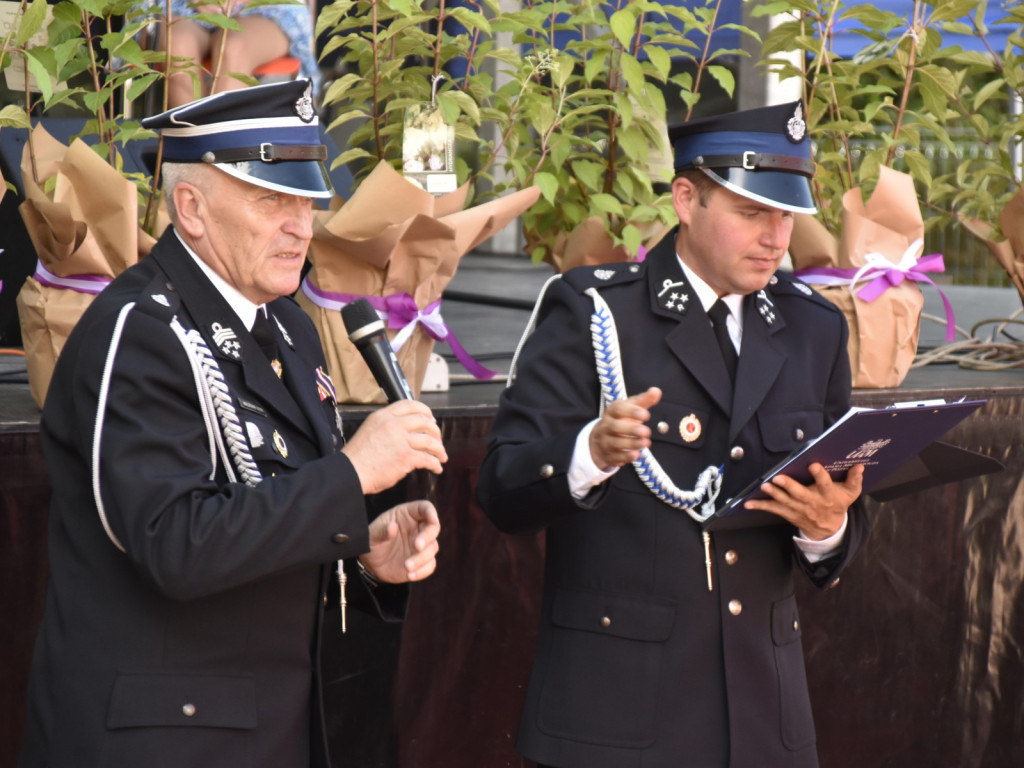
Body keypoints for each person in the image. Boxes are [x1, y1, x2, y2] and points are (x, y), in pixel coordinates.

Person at [18, 79, 447, 768]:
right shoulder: (140, 334)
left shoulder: (285, 326)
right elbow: (175, 544)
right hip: (161, 741)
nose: (300, 225)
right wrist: (353, 473)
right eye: (270, 200)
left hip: (265, 729)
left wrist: (360, 548)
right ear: (190, 207)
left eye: (305, 201)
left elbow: (263, 515)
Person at [476, 101, 869, 768]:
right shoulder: (596, 311)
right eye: (752, 212)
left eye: (786, 214)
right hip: (618, 718)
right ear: (686, 200)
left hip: (762, 721)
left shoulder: (813, 328)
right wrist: (589, 455)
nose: (777, 236)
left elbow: (842, 529)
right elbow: (502, 490)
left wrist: (828, 526)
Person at [158, 0, 319, 107]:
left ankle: (218, 151)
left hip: (264, 6)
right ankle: (193, 147)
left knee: (234, 49)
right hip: (178, 6)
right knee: (177, 47)